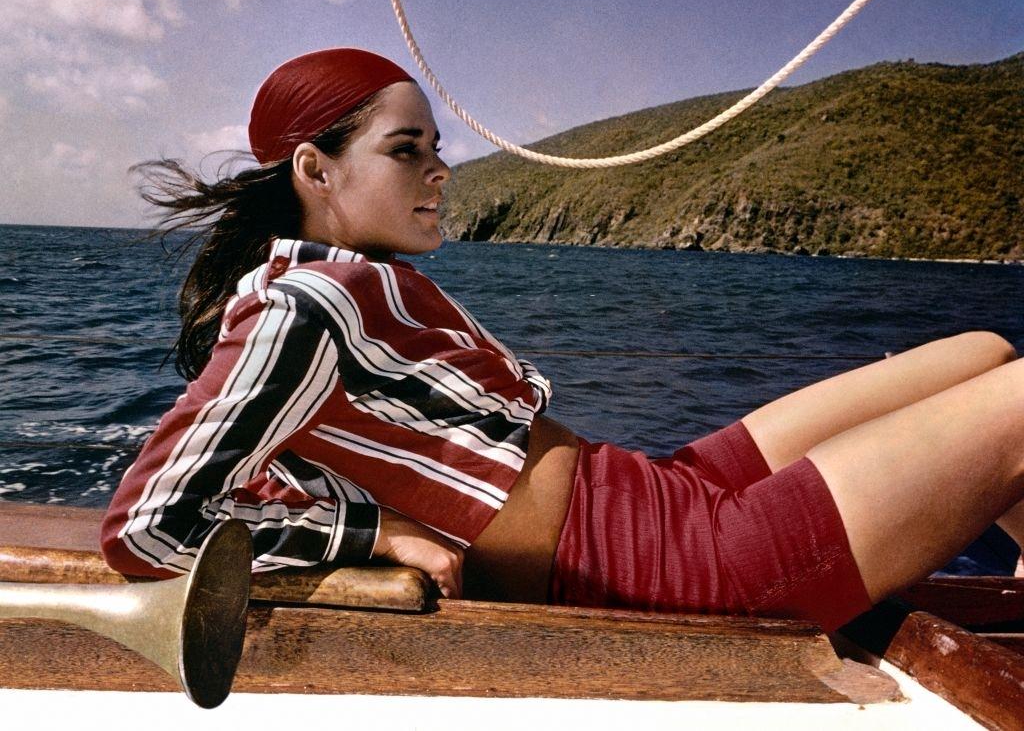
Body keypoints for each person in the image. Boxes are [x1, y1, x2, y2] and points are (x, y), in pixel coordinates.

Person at [101, 47, 1023, 631]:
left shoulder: (359, 288)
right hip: (687, 564)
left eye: (435, 148)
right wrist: (373, 532)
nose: (439, 170)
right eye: (405, 149)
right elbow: (148, 525)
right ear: (315, 170)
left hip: (665, 488)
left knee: (984, 351)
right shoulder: (300, 307)